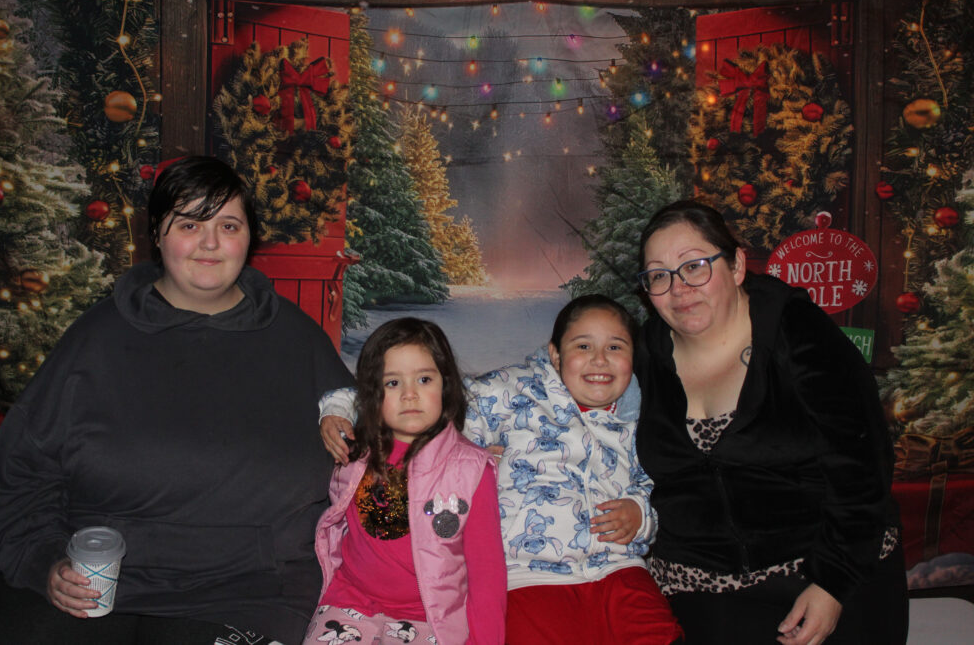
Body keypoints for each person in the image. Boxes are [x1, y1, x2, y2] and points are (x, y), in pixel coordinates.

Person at [0, 156, 354, 644]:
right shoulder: (95, 340)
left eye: (228, 225)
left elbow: (372, 459)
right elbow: (20, 477)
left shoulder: (299, 341)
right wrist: (44, 561)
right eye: (189, 224)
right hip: (95, 580)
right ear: (156, 233)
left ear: (249, 238)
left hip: (253, 589)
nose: (210, 242)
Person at [321, 296, 684, 645]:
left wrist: (640, 515)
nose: (599, 360)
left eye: (615, 347)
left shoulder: (638, 419)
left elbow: (650, 485)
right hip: (532, 573)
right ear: (555, 354)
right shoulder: (516, 390)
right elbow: (423, 395)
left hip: (619, 568)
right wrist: (340, 407)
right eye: (583, 346)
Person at [634, 200, 907, 645]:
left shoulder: (797, 331)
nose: (679, 288)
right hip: (698, 582)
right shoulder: (644, 355)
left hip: (826, 563)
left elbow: (863, 463)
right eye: (658, 275)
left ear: (737, 265)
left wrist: (833, 581)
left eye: (695, 266)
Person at [305, 317, 506, 645]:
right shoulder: (354, 452)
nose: (410, 394)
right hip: (349, 602)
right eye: (393, 383)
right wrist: (332, 414)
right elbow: (337, 401)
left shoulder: (471, 470)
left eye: (424, 379)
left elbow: (487, 573)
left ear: (446, 386)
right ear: (373, 393)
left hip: (430, 617)